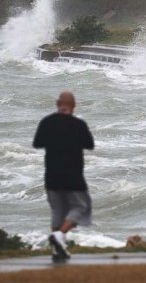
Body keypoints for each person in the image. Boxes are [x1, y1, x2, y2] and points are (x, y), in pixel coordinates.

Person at [33, 91, 94, 261]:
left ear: (57, 104)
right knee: (81, 207)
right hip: (73, 175)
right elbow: (90, 144)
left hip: (51, 174)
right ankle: (60, 235)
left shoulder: (47, 122)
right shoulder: (79, 124)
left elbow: (37, 143)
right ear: (74, 106)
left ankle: (57, 250)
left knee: (57, 211)